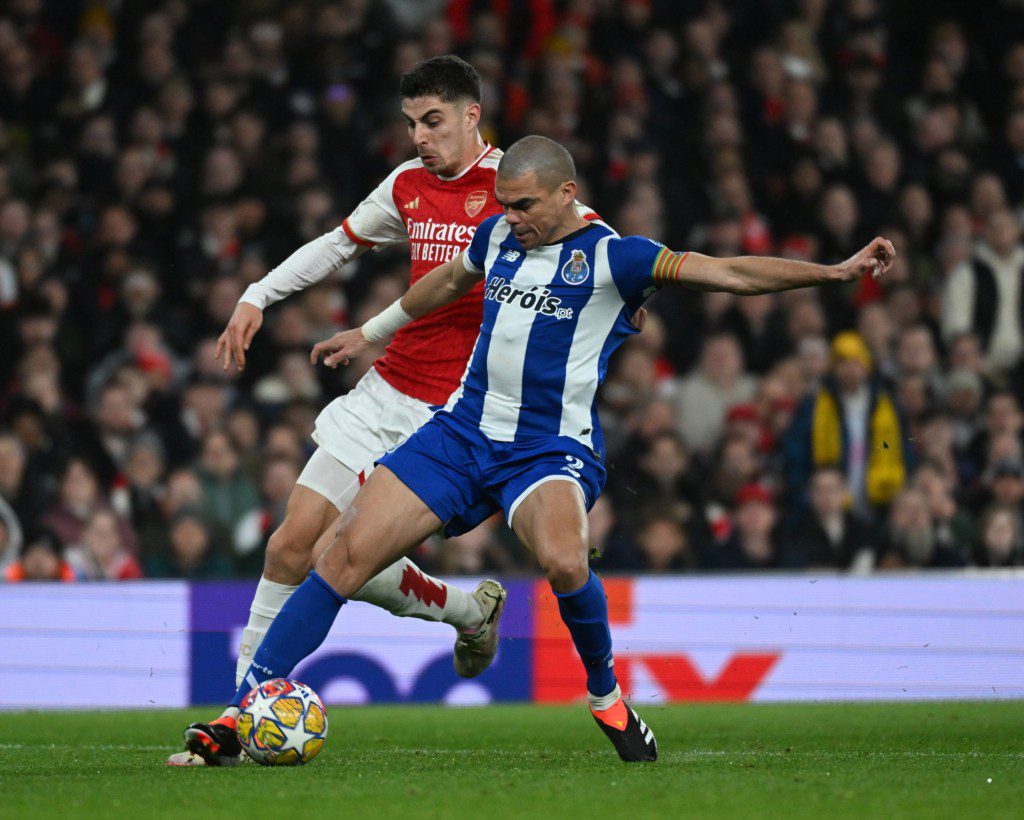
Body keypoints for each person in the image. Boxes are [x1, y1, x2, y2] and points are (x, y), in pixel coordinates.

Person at [179, 135, 894, 764]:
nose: (510, 219)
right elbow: (449, 279)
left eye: (523, 206)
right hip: (461, 433)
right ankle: (243, 709)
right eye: (504, 204)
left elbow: (731, 273)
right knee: (338, 555)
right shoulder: (495, 237)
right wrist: (373, 331)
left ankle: (607, 695)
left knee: (562, 560)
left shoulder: (616, 257)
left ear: (566, 194)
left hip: (546, 450)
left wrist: (833, 273)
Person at [170, 56, 605, 767]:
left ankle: (459, 617)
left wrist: (632, 296)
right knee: (291, 545)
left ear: (472, 115)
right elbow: (339, 244)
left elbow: (601, 248)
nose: (419, 138)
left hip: (458, 418)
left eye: (433, 121)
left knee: (339, 555)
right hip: (386, 391)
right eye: (410, 124)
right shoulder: (406, 187)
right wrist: (257, 293)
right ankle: (242, 712)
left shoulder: (516, 194)